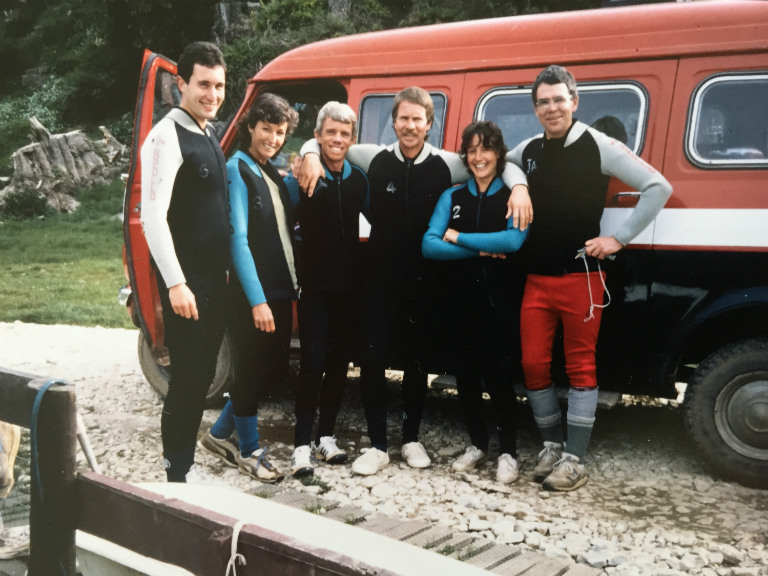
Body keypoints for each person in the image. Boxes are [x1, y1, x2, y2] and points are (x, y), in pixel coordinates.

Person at [298, 87, 532, 476]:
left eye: (417, 119)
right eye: (403, 118)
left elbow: (494, 162)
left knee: (417, 361)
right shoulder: (372, 157)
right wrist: (307, 153)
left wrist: (520, 185)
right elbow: (325, 141)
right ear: (394, 121)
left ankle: (410, 439)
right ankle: (377, 445)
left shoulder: (446, 164)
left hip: (426, 282)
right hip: (379, 279)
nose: (409, 126)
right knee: (372, 359)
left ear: (429, 123)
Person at [506, 65, 672, 491]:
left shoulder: (598, 145)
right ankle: (550, 445)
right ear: (535, 108)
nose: (551, 108)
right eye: (543, 102)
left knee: (581, 366)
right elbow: (501, 163)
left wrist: (619, 238)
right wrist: (519, 185)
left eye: (559, 99)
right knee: (532, 364)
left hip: (581, 276)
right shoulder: (528, 149)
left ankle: (575, 458)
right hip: (536, 278)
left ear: (574, 101)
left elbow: (657, 187)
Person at [140, 41, 230, 482]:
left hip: (215, 281)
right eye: (203, 85)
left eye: (219, 85)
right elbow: (151, 217)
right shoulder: (164, 136)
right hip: (188, 285)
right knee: (189, 379)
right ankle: (176, 471)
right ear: (181, 84)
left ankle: (185, 465)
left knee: (203, 376)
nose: (212, 94)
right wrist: (176, 283)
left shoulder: (208, 131)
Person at [198, 93, 299, 483]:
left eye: (280, 132)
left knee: (270, 370)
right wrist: (257, 301)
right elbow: (238, 238)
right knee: (252, 371)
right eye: (266, 129)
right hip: (251, 294)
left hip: (277, 289)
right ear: (250, 127)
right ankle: (250, 449)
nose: (273, 138)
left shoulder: (269, 171)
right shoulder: (236, 169)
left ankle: (221, 434)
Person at [422, 121, 528, 484]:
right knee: (465, 376)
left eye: (486, 149)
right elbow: (430, 244)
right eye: (472, 150)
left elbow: (513, 242)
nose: (479, 157)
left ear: (499, 153)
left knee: (499, 378)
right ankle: (477, 444)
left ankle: (509, 453)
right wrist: (480, 248)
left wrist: (459, 236)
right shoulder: (452, 196)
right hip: (459, 301)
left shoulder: (514, 196)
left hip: (501, 302)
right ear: (465, 156)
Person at [283, 101, 369, 477]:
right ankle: (301, 444)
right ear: (317, 136)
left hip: (349, 290)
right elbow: (281, 222)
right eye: (330, 132)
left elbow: (373, 224)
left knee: (338, 365)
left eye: (344, 133)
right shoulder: (300, 178)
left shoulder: (358, 181)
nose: (337, 139)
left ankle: (326, 437)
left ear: (353, 139)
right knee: (313, 363)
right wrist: (304, 155)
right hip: (315, 288)